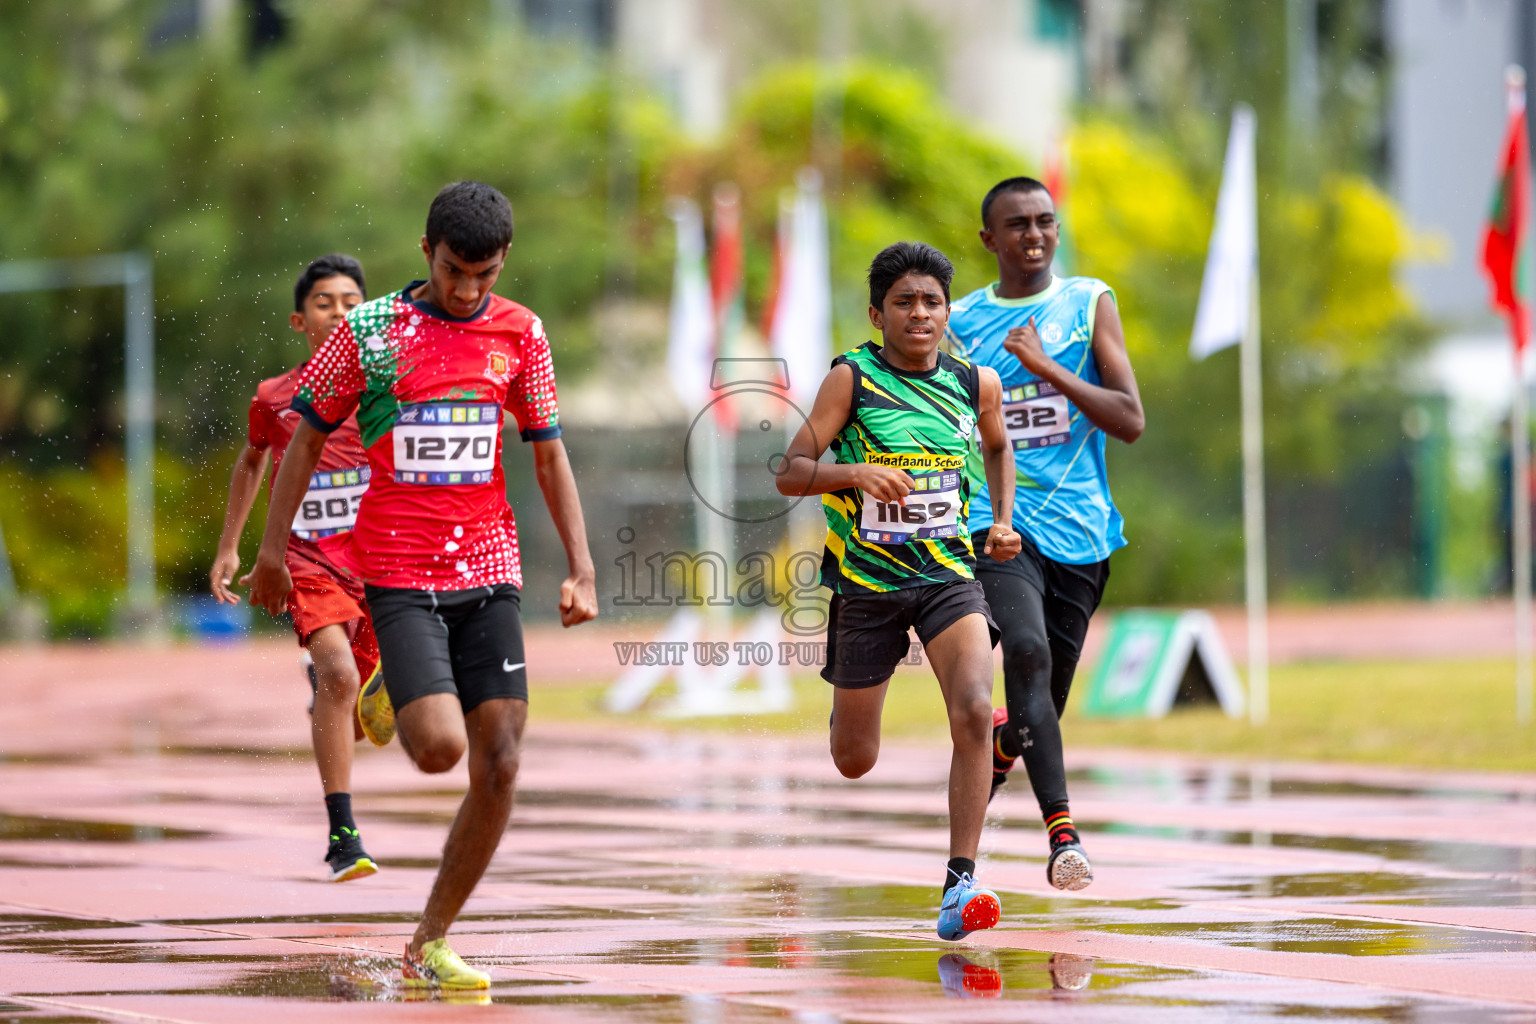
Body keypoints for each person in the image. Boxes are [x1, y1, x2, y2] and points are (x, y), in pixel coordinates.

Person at [245, 181, 598, 990]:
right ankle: (390, 685)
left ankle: (429, 939)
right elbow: (302, 441)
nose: (468, 291)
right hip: (399, 573)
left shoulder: (522, 333)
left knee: (501, 761)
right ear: (425, 253)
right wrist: (271, 552)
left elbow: (547, 451)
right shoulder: (370, 333)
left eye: (485, 274)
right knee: (438, 752)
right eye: (452, 272)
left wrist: (580, 566)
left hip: (490, 570)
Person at [776, 241, 1021, 941]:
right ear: (878, 313)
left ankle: (959, 884)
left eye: (933, 302)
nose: (920, 314)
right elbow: (790, 470)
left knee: (976, 709)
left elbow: (999, 446)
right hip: (867, 584)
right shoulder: (852, 379)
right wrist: (854, 477)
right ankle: (844, 711)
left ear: (948, 312)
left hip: (948, 576)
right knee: (854, 759)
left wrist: (1002, 522)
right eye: (905, 303)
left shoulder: (977, 383)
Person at [946, 176, 1145, 892]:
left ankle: (1003, 746)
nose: (1034, 235)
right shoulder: (961, 320)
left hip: (1083, 534)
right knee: (1022, 653)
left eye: (1045, 222)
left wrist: (1047, 369)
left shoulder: (1089, 303)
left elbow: (1129, 419)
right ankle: (1064, 838)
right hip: (997, 527)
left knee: (1040, 711)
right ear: (989, 239)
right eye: (1018, 225)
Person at [210, 253, 394, 885]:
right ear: (300, 320)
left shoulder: (386, 390)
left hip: (378, 561)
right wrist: (233, 547)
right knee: (339, 679)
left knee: (356, 709)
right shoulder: (276, 397)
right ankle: (343, 835)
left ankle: (333, 700)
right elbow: (251, 461)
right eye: (324, 302)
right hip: (307, 562)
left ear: (367, 316)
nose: (339, 312)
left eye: (351, 302)